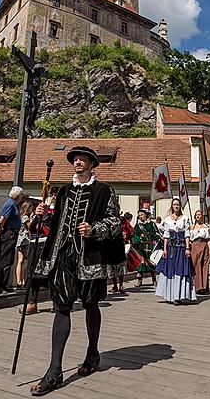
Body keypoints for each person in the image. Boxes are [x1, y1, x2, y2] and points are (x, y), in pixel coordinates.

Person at [30, 146, 125, 396]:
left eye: (83, 159)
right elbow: (56, 221)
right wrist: (41, 216)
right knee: (61, 307)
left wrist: (94, 229)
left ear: (92, 164)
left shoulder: (104, 190)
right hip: (63, 256)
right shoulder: (63, 191)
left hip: (90, 257)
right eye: (75, 159)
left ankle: (92, 353)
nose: (78, 162)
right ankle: (54, 371)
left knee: (91, 303)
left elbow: (115, 222)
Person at [23, 189, 58, 316]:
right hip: (35, 246)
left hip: (48, 247)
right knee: (32, 275)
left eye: (55, 196)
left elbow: (54, 228)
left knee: (50, 275)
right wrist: (38, 216)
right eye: (52, 195)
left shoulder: (58, 211)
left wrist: (46, 217)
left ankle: (56, 302)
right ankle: (32, 303)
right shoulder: (41, 210)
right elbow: (32, 228)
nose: (53, 197)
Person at [155, 197, 196, 305]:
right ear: (172, 206)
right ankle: (171, 296)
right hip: (170, 248)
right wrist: (164, 249)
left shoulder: (185, 218)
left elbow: (187, 234)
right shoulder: (167, 219)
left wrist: (187, 248)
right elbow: (166, 235)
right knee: (170, 270)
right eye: (174, 205)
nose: (176, 206)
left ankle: (179, 296)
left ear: (180, 206)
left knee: (181, 270)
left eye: (178, 205)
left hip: (181, 247)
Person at [0, 186, 24, 295]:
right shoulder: (10, 204)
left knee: (8, 260)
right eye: (21, 195)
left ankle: (3, 285)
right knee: (5, 260)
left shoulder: (12, 204)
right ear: (18, 196)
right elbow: (2, 220)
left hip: (12, 232)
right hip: (9, 233)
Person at [132, 209, 160, 287]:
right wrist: (137, 241)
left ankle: (154, 280)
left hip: (149, 246)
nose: (140, 216)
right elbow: (135, 235)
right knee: (140, 264)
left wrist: (156, 240)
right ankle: (139, 281)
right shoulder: (137, 226)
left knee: (151, 263)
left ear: (146, 215)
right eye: (139, 215)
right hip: (140, 247)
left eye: (142, 215)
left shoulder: (151, 224)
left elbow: (156, 233)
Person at [190, 209, 210, 294]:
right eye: (197, 215)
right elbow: (189, 238)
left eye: (200, 214)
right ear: (195, 217)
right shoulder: (192, 227)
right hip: (194, 246)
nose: (198, 216)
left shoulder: (206, 227)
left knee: (204, 266)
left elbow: (209, 239)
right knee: (195, 265)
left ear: (202, 216)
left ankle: (204, 287)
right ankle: (197, 286)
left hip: (203, 245)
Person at [111, 212, 134, 293]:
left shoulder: (124, 221)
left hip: (121, 246)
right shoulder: (109, 219)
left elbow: (131, 231)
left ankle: (121, 285)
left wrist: (130, 241)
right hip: (112, 246)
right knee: (112, 267)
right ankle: (114, 285)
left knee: (121, 266)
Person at [15, 200, 34, 289]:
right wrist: (31, 218)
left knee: (20, 260)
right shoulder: (25, 217)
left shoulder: (20, 216)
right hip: (25, 240)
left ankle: (19, 281)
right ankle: (23, 281)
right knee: (27, 260)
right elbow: (30, 226)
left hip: (20, 240)